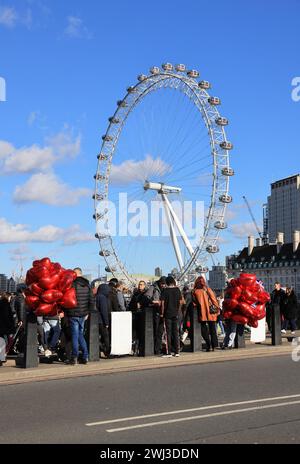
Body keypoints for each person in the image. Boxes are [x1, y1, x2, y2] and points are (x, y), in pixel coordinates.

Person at [65, 267, 95, 365]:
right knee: (80, 334)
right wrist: (88, 312)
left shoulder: (72, 284)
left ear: (74, 274)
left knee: (75, 335)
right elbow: (91, 300)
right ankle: (85, 356)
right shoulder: (87, 285)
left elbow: (67, 299)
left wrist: (66, 312)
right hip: (83, 314)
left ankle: (74, 357)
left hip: (73, 313)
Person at [193, 276, 220, 352]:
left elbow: (194, 303)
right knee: (212, 329)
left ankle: (208, 345)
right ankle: (214, 345)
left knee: (203, 329)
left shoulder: (194, 291)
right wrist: (217, 309)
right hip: (211, 313)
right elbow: (214, 301)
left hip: (202, 313)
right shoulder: (208, 289)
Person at [160, 276, 184, 358]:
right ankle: (177, 352)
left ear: (166, 282)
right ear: (173, 282)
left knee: (168, 334)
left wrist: (162, 313)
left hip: (167, 314)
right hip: (176, 314)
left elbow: (162, 303)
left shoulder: (165, 291)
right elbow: (181, 302)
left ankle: (168, 352)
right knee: (176, 333)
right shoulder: (177, 290)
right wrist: (178, 310)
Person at [144, 276, 167, 355]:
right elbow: (147, 297)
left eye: (164, 284)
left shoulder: (165, 288)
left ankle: (159, 348)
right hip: (155, 311)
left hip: (163, 311)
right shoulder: (153, 287)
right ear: (159, 282)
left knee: (161, 332)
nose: (163, 285)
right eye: (162, 284)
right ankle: (156, 349)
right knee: (156, 330)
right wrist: (153, 302)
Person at [0, 292, 16, 365]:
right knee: (5, 342)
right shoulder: (6, 304)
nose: (10, 299)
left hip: (2, 326)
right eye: (10, 297)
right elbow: (6, 317)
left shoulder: (2, 303)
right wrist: (11, 325)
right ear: (7, 297)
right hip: (5, 327)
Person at [96, 284, 110, 358]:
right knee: (106, 337)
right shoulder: (103, 297)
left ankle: (98, 350)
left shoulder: (96, 296)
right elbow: (104, 311)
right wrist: (106, 322)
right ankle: (107, 351)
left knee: (96, 337)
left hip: (95, 320)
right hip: (101, 321)